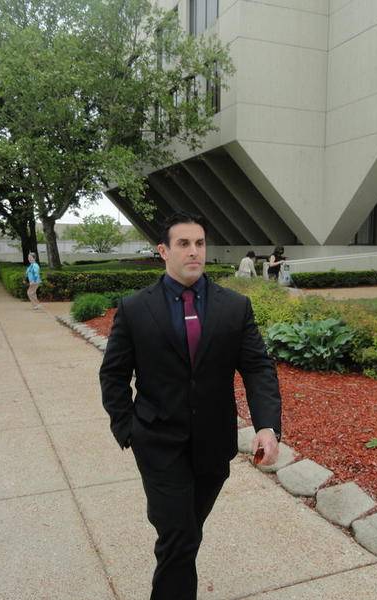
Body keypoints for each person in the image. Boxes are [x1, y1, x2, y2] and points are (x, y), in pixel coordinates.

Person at [100, 212, 282, 600]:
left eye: (199, 243)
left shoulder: (235, 306)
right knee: (180, 536)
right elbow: (113, 375)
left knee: (182, 535)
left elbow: (256, 367)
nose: (194, 251)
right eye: (183, 244)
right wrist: (128, 429)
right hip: (157, 442)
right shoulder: (134, 308)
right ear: (163, 250)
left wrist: (266, 425)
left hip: (213, 447)